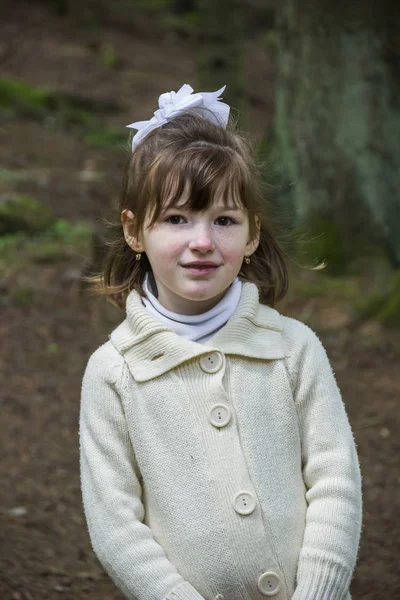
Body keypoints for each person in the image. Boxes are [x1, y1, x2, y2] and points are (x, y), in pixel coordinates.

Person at [79, 84, 363, 600]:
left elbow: (335, 480)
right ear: (134, 231)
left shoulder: (293, 349)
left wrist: (319, 590)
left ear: (252, 233)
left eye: (225, 220)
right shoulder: (113, 373)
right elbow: (117, 526)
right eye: (176, 218)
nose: (203, 241)